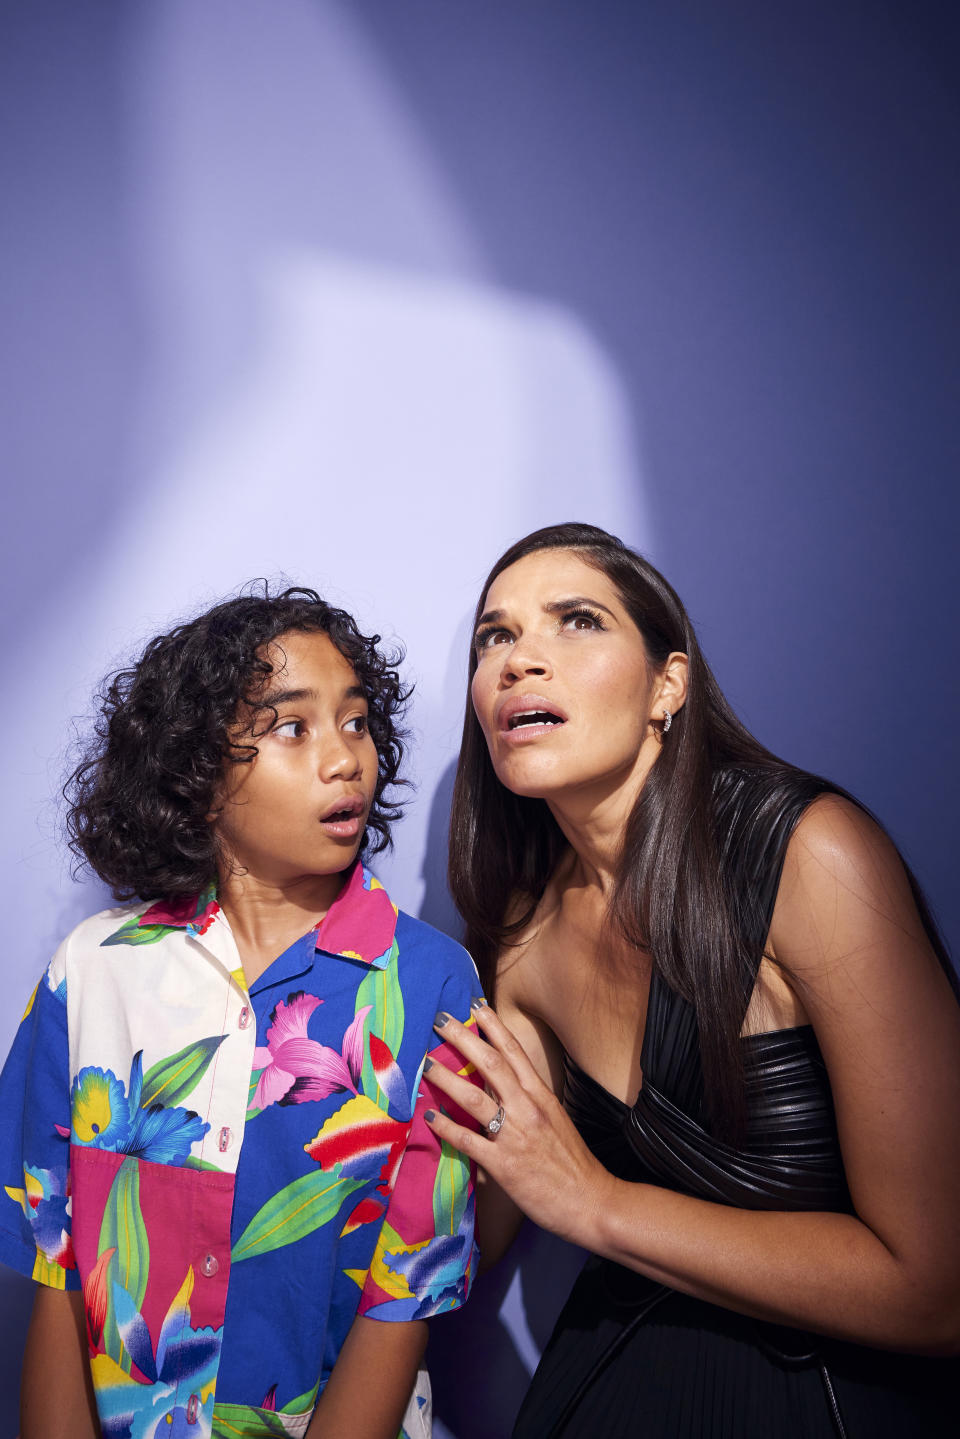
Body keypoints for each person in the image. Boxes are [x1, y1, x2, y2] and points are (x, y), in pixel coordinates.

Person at [421, 522, 960, 1437]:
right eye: (495, 638)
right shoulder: (519, 943)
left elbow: (938, 1289)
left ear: (667, 685)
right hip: (606, 1387)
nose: (520, 662)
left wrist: (599, 1205)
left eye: (576, 621)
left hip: (833, 1398)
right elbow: (461, 1234)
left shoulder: (810, 857)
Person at [0, 586, 480, 1439]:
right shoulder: (91, 974)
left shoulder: (434, 986)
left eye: (358, 722)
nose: (345, 760)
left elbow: (402, 1300)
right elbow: (56, 1276)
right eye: (294, 728)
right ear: (198, 772)